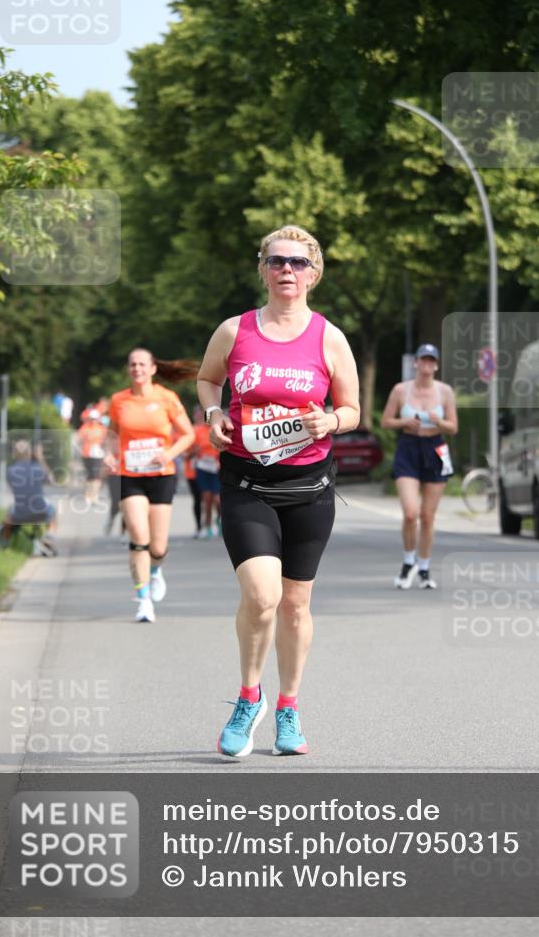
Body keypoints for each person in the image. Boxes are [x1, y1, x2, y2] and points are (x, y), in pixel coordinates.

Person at [197, 224, 360, 759]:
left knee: (294, 604)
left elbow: (352, 410)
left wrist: (330, 421)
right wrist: (214, 412)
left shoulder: (329, 338)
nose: (286, 270)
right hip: (247, 483)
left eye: (297, 262)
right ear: (263, 270)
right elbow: (207, 379)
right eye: (276, 261)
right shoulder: (235, 330)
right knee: (262, 595)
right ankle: (249, 697)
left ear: (313, 273)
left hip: (309, 487)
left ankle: (288, 707)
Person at [108, 349, 196, 623]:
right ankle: (143, 600)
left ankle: (155, 570)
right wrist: (110, 454)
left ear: (153, 368)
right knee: (138, 535)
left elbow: (188, 435)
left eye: (142, 364)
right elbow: (112, 434)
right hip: (130, 475)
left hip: (161, 475)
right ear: (128, 369)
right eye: (132, 364)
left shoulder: (166, 398)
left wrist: (168, 455)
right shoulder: (118, 400)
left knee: (157, 548)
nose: (137, 369)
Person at [380, 343, 458, 590]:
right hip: (409, 448)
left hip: (435, 449)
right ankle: (408, 562)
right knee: (411, 513)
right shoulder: (400, 390)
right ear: (416, 363)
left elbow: (453, 427)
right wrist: (404, 421)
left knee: (427, 516)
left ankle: (424, 567)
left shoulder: (445, 392)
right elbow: (385, 421)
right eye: (423, 360)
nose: (427, 365)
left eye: (431, 361)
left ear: (436, 365)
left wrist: (439, 422)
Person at [4, 439, 57, 556]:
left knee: (8, 513)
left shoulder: (10, 470)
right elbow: (51, 480)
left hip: (18, 514)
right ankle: (49, 536)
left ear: (14, 454)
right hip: (41, 512)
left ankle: (5, 543)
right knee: (53, 510)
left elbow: (13, 487)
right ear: (30, 453)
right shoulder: (38, 468)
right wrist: (40, 458)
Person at [190, 409, 221, 538]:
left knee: (218, 499)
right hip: (203, 468)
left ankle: (219, 521)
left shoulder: (219, 428)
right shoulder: (197, 430)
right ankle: (207, 526)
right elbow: (189, 450)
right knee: (207, 499)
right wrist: (195, 451)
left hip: (216, 468)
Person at [76, 410, 107, 504]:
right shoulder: (84, 428)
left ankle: (95, 495)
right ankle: (88, 494)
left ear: (98, 419)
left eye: (95, 419)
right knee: (90, 475)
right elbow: (79, 439)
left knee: (96, 475)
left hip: (98, 454)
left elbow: (106, 440)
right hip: (87, 454)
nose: (93, 421)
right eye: (92, 419)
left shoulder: (102, 429)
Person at [184, 406, 204, 539]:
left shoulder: (211, 429)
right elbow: (184, 454)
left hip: (210, 469)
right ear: (193, 416)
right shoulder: (189, 431)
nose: (200, 417)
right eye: (197, 414)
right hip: (193, 471)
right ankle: (199, 527)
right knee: (198, 499)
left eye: (202, 414)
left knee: (213, 498)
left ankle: (212, 523)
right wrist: (194, 452)